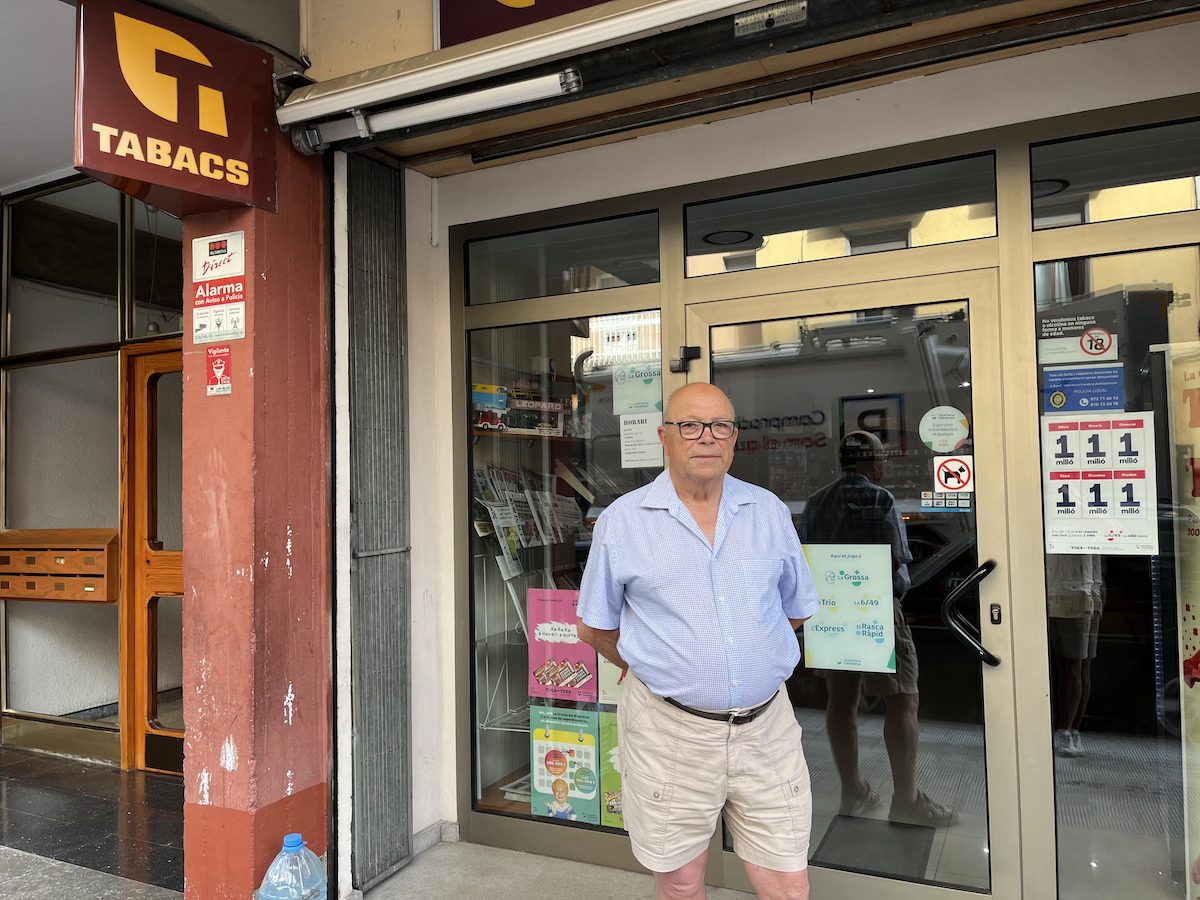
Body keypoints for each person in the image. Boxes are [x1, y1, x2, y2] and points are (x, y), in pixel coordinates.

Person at [577, 383, 819, 900]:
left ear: (734, 438)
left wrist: (747, 658)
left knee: (789, 883)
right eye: (690, 425)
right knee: (681, 884)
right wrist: (655, 664)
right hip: (670, 732)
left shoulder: (768, 511)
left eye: (720, 426)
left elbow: (795, 609)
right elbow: (594, 626)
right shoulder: (623, 522)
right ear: (664, 436)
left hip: (767, 729)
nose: (706, 437)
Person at [801, 430, 957, 827]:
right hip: (875, 609)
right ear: (871, 461)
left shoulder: (817, 502)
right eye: (882, 459)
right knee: (903, 700)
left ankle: (852, 791)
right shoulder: (880, 499)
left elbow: (806, 558)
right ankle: (907, 800)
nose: (884, 465)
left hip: (832, 611)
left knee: (841, 701)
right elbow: (892, 560)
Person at [1045, 554, 1104, 757]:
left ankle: (1070, 729)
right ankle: (1063, 728)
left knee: (1077, 666)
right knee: (1062, 667)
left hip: (1078, 597)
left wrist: (1088, 599)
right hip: (1048, 595)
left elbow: (1089, 558)